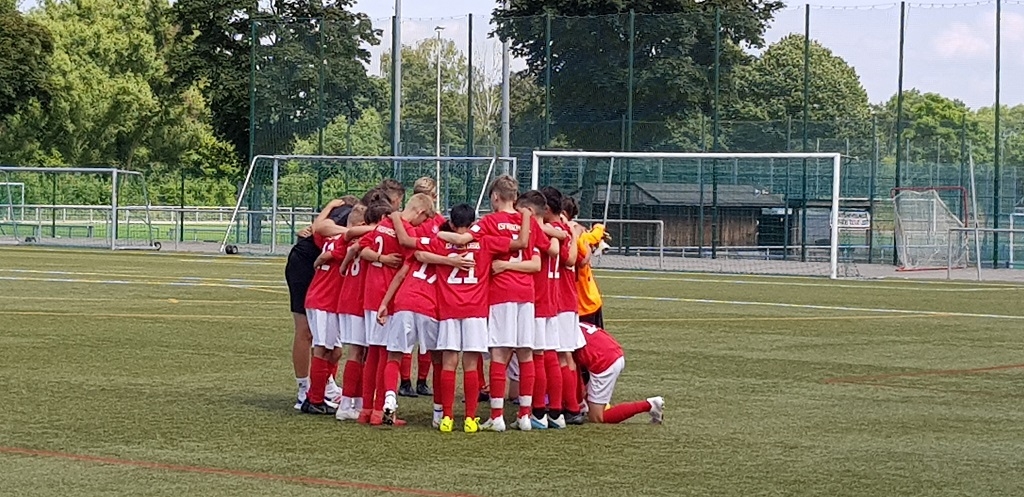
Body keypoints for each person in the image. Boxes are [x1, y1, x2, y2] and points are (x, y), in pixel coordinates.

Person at [438, 175, 537, 432]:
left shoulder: (488, 224)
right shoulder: (528, 223)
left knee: (498, 353)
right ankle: (525, 415)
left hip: (499, 293)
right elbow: (533, 257)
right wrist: (527, 218)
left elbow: (461, 240)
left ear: (494, 196)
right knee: (526, 352)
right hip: (526, 293)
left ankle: (496, 416)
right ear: (515, 197)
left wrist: (437, 234)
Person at [358, 193, 435, 426]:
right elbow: (411, 260)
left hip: (371, 293)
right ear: (420, 212)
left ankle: (366, 409)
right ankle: (379, 411)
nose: (422, 224)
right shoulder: (407, 230)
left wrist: (379, 257)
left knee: (373, 352)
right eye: (424, 219)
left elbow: (362, 248)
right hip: (389, 296)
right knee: (387, 353)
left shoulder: (383, 223)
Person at [284, 195, 357, 409]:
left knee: (332, 343)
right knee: (306, 331)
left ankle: (326, 385)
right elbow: (319, 229)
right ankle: (304, 388)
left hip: (324, 278)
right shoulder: (344, 220)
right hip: (305, 268)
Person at [398, 176, 447, 398]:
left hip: (411, 277)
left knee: (407, 338)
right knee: (426, 339)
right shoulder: (431, 221)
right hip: (426, 279)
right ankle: (420, 381)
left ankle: (407, 382)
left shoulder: (411, 222)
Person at [574, 322, 664, 424]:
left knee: (596, 417)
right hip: (612, 352)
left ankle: (650, 405)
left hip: (604, 362)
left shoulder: (563, 332)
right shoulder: (571, 322)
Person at [299, 231, 346, 415]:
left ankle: (320, 392)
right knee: (323, 349)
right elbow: (329, 254)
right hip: (323, 300)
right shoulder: (346, 242)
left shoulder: (332, 236)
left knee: (336, 351)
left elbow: (319, 228)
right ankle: (314, 399)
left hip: (329, 301)